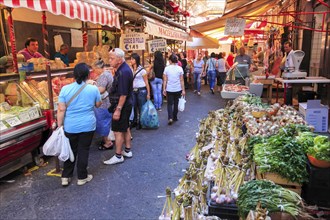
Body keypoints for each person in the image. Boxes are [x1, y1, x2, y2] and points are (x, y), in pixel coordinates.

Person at [57, 63, 102, 186]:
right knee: (83, 150)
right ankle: (82, 177)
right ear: (88, 75)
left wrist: (59, 125)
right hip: (88, 125)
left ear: (74, 75)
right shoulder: (93, 88)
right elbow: (98, 104)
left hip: (70, 125)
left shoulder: (65, 89)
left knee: (70, 149)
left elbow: (61, 109)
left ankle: (66, 176)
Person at [103, 48, 133, 165]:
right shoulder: (122, 69)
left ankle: (118, 155)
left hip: (122, 105)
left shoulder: (123, 72)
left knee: (118, 131)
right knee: (125, 127)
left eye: (112, 58)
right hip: (126, 104)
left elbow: (123, 94)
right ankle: (127, 150)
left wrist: (118, 109)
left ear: (119, 60)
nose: (109, 60)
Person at [94, 65, 114, 150]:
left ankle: (107, 143)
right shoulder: (108, 74)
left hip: (103, 103)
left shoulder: (103, 76)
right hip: (108, 102)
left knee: (103, 122)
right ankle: (106, 140)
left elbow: (101, 89)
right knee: (106, 121)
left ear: (97, 67)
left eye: (94, 68)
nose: (94, 71)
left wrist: (91, 86)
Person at [163, 54, 185, 125]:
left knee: (169, 104)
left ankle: (170, 117)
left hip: (169, 89)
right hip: (178, 89)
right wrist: (183, 90)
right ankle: (175, 116)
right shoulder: (180, 68)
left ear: (170, 61)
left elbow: (165, 80)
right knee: (176, 103)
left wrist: (164, 89)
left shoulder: (167, 68)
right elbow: (182, 80)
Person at [130, 53, 150, 130]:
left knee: (141, 107)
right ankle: (135, 120)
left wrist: (148, 93)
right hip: (133, 90)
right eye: (131, 59)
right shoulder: (131, 69)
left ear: (136, 60)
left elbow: (146, 82)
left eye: (132, 59)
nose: (131, 60)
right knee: (134, 106)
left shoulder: (142, 70)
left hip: (141, 90)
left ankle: (141, 122)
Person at [283, 41, 294, 105]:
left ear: (290, 47)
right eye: (284, 47)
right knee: (287, 90)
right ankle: (287, 104)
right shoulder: (288, 54)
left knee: (289, 90)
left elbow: (291, 66)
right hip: (288, 75)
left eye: (287, 47)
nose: (285, 49)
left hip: (290, 75)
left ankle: (288, 104)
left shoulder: (292, 54)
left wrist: (285, 69)